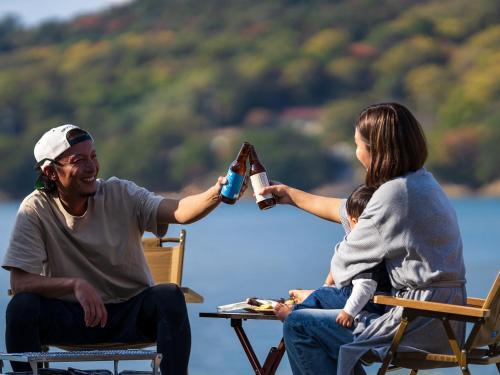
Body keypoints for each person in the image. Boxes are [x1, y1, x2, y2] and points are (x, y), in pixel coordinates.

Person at [2, 124, 245, 375]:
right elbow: (20, 282)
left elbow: (179, 211)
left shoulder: (121, 192)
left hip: (129, 315)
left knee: (169, 296)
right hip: (73, 318)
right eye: (79, 160)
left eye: (93, 157)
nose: (91, 167)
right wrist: (74, 284)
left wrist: (216, 194)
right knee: (22, 306)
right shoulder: (35, 209)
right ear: (50, 172)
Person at [260, 102, 466, 374]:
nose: (357, 153)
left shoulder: (393, 195)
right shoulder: (422, 183)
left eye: (358, 145)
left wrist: (317, 293)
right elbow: (355, 214)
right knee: (319, 309)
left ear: (376, 150)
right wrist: (291, 195)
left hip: (414, 323)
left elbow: (344, 266)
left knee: (298, 325)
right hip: (446, 320)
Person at [274, 184, 391, 328]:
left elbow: (365, 286)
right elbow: (340, 265)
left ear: (354, 221)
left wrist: (349, 312)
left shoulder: (365, 251)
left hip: (367, 303)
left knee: (320, 297)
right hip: (363, 299)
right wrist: (327, 286)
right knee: (324, 294)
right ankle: (310, 298)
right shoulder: (373, 242)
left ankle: (293, 314)